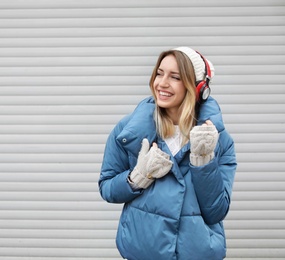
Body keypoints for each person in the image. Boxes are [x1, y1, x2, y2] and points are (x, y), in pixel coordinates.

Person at [98, 47, 237, 260]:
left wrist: (203, 162)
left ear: (198, 87)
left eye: (175, 77)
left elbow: (217, 211)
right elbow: (107, 188)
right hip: (142, 252)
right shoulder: (128, 132)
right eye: (159, 73)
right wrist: (137, 177)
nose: (161, 83)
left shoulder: (218, 140)